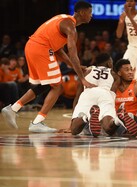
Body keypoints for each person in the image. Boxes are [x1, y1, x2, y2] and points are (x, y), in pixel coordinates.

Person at [1, 1, 96, 132]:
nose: (92, 15)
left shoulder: (64, 19)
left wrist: (76, 66)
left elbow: (59, 51)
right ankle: (37, 123)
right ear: (82, 12)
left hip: (32, 46)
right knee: (58, 86)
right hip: (41, 48)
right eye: (90, 12)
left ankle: (13, 109)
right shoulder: (71, 27)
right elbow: (72, 53)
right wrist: (82, 78)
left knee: (46, 85)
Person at [71, 54, 137, 139]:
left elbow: (77, 96)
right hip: (105, 94)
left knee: (74, 130)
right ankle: (117, 121)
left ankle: (87, 117)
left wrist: (74, 116)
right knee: (108, 128)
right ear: (109, 63)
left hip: (88, 93)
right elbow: (113, 92)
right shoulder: (114, 74)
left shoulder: (86, 71)